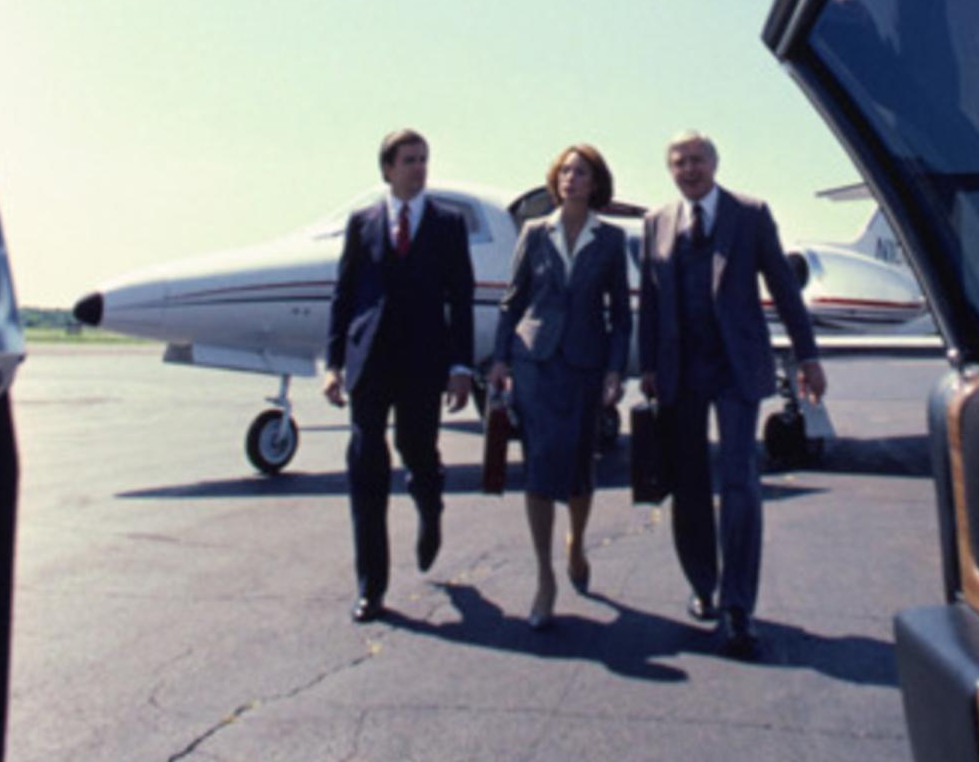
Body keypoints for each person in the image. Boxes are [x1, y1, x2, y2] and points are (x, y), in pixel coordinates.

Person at [639, 131, 826, 659]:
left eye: (697, 160)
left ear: (715, 163)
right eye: (679, 162)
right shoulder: (657, 222)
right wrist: (648, 364)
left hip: (735, 368)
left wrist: (808, 356)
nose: (689, 169)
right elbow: (650, 299)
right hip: (681, 371)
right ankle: (704, 585)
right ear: (670, 170)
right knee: (689, 484)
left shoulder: (750, 214)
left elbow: (783, 288)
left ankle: (739, 604)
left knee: (740, 480)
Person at [322, 129, 475, 623]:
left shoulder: (448, 224)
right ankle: (371, 587)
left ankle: (430, 506)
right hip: (369, 360)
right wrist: (333, 364)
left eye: (424, 159)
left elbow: (461, 299)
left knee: (417, 449)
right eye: (409, 160)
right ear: (387, 169)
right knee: (366, 464)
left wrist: (460, 366)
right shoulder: (363, 223)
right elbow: (344, 295)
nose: (419, 168)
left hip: (422, 361)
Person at [488, 144, 632, 630]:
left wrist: (615, 370)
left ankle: (576, 543)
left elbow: (621, 315)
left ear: (596, 183)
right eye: (565, 171)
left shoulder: (610, 240)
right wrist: (501, 358)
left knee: (579, 468)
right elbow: (513, 302)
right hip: (536, 363)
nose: (571, 179)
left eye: (581, 172)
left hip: (586, 366)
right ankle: (544, 578)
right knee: (538, 467)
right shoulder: (534, 232)